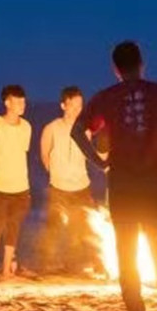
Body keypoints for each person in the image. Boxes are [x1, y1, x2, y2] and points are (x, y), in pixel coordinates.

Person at [72, 41, 157, 311]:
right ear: (142, 63)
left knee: (126, 249)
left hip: (122, 184)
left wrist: (98, 161)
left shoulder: (106, 97)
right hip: (153, 182)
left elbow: (77, 131)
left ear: (115, 69)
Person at [38, 87, 95, 275]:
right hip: (59, 187)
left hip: (81, 186)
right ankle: (45, 264)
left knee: (78, 229)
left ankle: (73, 265)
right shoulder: (52, 128)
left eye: (80, 105)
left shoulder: (86, 129)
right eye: (73, 105)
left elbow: (89, 155)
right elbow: (44, 155)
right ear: (63, 105)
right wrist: (57, 174)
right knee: (53, 227)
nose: (77, 109)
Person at [0, 85, 33, 280]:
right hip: (0, 188)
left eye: (23, 101)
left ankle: (5, 270)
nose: (22, 105)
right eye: (17, 102)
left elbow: (21, 152)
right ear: (7, 103)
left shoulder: (26, 127)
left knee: (13, 229)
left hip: (21, 187)